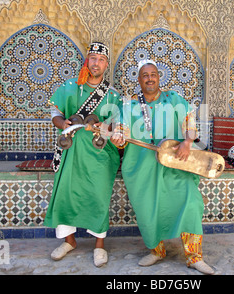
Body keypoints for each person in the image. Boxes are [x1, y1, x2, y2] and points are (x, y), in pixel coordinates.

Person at [111, 59, 215, 274]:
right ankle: (157, 251)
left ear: (159, 77)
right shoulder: (129, 105)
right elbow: (120, 130)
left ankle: (194, 256)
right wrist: (118, 137)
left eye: (153, 74)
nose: (150, 78)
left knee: (191, 202)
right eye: (145, 75)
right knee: (148, 209)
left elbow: (190, 120)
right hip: (142, 168)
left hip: (175, 164)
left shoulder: (173, 98)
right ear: (139, 80)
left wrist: (187, 142)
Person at [44, 42, 121, 267]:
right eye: (92, 58)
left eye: (101, 59)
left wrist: (102, 126)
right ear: (87, 60)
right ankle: (69, 241)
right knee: (66, 194)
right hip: (71, 152)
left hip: (100, 156)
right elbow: (55, 113)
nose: (96, 63)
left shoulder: (112, 95)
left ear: (106, 64)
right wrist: (63, 122)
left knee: (98, 196)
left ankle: (99, 246)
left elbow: (116, 124)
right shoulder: (70, 87)